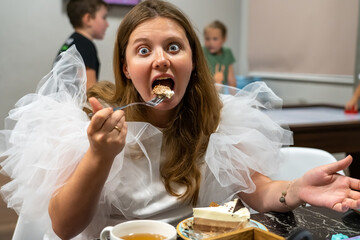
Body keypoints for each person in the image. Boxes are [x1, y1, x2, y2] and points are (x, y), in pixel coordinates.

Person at [0, 1, 359, 239]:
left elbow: (260, 190)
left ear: (191, 60)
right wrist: (99, 156)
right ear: (126, 68)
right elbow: (63, 227)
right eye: (143, 50)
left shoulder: (215, 121)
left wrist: (294, 189)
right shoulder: (91, 126)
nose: (161, 60)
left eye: (174, 47)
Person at [57, 0, 109, 90]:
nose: (107, 24)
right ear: (88, 19)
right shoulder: (86, 46)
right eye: (104, 17)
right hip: (74, 104)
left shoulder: (71, 41)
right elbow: (89, 90)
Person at [203, 20, 237, 88]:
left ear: (223, 39)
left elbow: (231, 80)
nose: (211, 43)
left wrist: (234, 97)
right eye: (207, 39)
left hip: (221, 93)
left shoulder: (227, 52)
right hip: (205, 91)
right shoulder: (202, 51)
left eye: (215, 39)